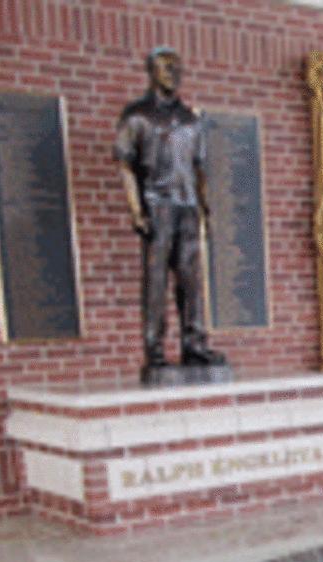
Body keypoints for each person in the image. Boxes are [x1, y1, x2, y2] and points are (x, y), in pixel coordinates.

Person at [115, 46, 225, 376]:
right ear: (150, 71)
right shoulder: (137, 115)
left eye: (177, 68)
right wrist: (136, 210)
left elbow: (199, 166)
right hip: (157, 204)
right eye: (165, 68)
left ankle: (194, 345)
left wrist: (206, 207)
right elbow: (124, 165)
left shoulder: (191, 119)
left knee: (191, 280)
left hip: (188, 204)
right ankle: (155, 350)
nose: (172, 74)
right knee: (156, 280)